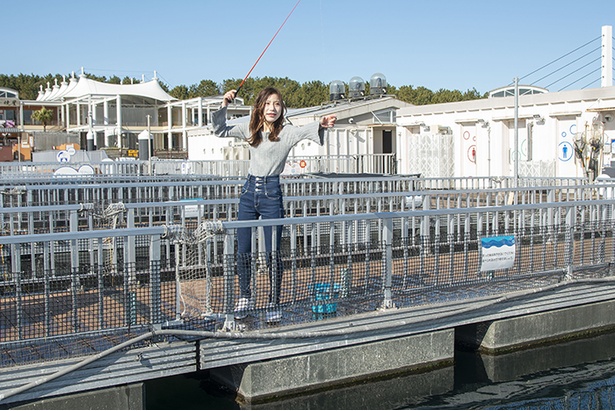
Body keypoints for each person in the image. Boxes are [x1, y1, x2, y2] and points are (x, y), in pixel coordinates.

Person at [212, 87, 336, 323]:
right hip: (248, 192)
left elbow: (306, 130)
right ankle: (245, 297)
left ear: (282, 108)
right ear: (260, 106)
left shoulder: (287, 132)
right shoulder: (250, 126)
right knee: (243, 250)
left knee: (273, 253)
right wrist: (224, 105)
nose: (272, 108)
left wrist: (322, 122)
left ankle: (273, 300)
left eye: (277, 104)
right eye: (268, 103)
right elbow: (219, 130)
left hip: (272, 194)